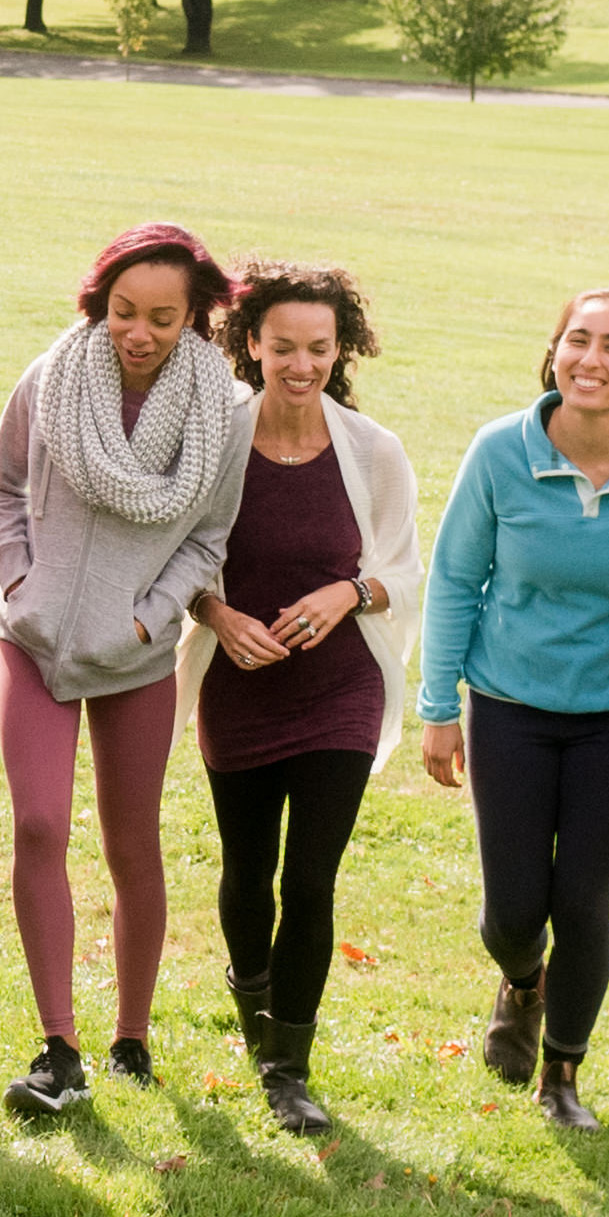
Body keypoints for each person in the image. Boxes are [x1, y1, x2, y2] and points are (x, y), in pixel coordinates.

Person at [418, 286, 609, 1132]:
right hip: (509, 702)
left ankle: (563, 1076)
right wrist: (440, 707)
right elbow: (454, 579)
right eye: (577, 341)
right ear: (554, 355)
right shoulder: (499, 452)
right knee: (513, 913)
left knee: (584, 902)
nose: (591, 359)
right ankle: (521, 981)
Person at [0, 222, 251, 1118]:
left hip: (136, 655)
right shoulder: (53, 376)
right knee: (41, 826)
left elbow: (210, 534)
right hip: (37, 639)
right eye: (125, 311)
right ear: (101, 303)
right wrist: (20, 576)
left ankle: (132, 1036)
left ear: (194, 319)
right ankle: (59, 1044)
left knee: (134, 844)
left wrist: (154, 610)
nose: (139, 332)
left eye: (163, 318)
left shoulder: (223, 411)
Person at [178, 261, 420, 1137]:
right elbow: (180, 556)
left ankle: (290, 1066)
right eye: (284, 346)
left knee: (308, 878)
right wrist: (215, 612)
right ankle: (252, 997)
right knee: (248, 872)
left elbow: (402, 568)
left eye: (319, 348)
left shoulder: (372, 450)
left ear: (338, 349)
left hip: (339, 689)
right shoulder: (215, 442)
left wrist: (348, 593)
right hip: (239, 685)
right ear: (252, 345)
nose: (302, 364)